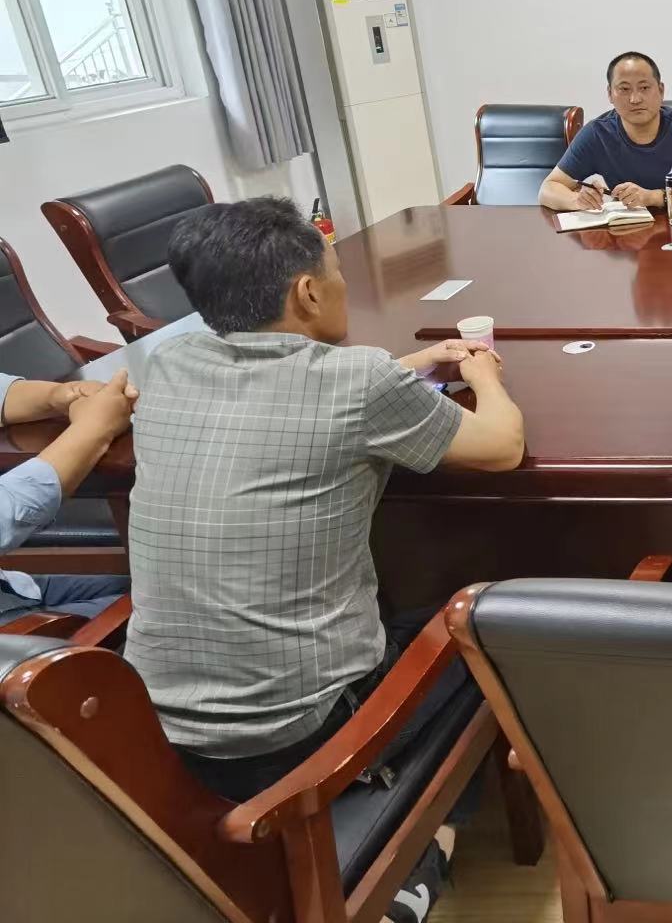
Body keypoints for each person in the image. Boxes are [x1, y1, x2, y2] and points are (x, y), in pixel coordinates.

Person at [124, 198, 525, 921]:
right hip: (301, 727)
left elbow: (291, 391)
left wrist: (411, 366)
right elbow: (502, 447)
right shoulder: (360, 382)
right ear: (308, 292)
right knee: (479, 633)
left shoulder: (171, 364)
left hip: (163, 731)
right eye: (336, 273)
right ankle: (414, 858)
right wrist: (487, 375)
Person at [0, 369, 137, 626]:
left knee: (156, 588)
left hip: (15, 588)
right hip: (14, 639)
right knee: (171, 607)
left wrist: (63, 395)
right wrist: (95, 428)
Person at [539, 51, 672, 213]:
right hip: (626, 234)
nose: (635, 99)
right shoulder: (597, 133)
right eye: (624, 89)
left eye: (644, 88)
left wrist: (652, 197)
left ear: (661, 90)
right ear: (610, 94)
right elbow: (548, 189)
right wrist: (577, 200)